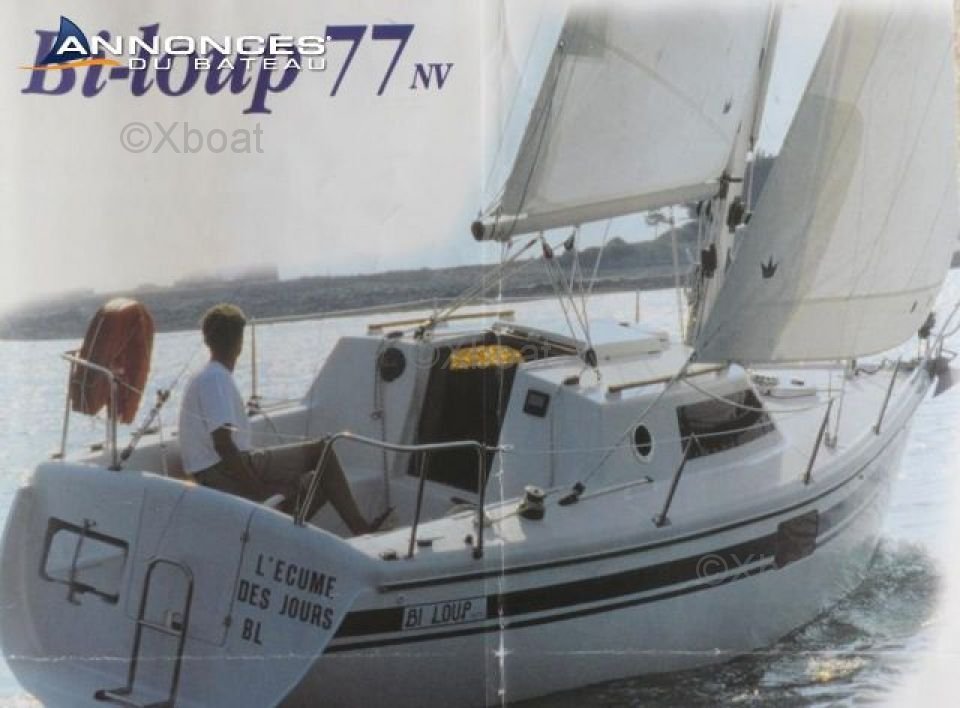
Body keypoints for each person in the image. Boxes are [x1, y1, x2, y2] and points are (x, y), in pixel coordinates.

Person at [178, 303, 387, 535]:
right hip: (220, 473)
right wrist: (257, 493)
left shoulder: (205, 376)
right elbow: (223, 444)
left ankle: (281, 531)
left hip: (212, 473)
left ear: (208, 341)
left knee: (313, 481)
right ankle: (360, 529)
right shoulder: (216, 378)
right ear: (239, 343)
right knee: (322, 451)